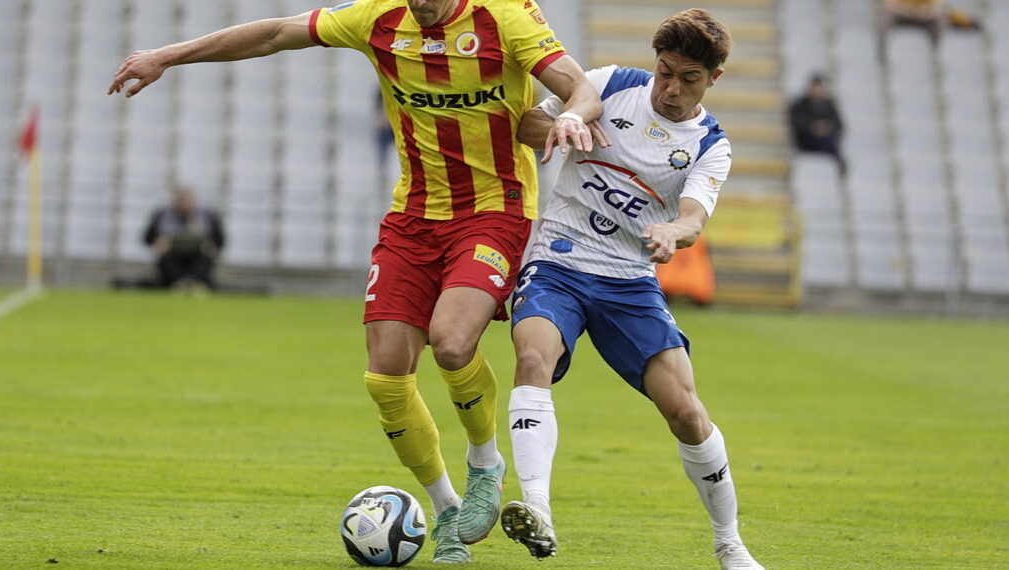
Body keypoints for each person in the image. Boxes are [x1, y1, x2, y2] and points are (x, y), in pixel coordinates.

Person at [108, 0, 603, 563]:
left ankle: (486, 464)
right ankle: (445, 512)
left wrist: (570, 114)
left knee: (452, 341)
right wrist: (167, 57)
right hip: (413, 218)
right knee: (386, 380)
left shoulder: (505, 16)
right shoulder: (378, 17)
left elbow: (579, 87)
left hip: (493, 211)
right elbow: (275, 32)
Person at [500, 9, 764, 570]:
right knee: (532, 356)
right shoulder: (611, 84)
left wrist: (672, 230)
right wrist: (564, 124)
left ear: (712, 79)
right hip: (559, 260)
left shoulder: (709, 144)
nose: (669, 88)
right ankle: (537, 508)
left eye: (687, 79)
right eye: (664, 72)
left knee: (687, 413)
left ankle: (729, 542)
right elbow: (525, 125)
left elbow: (693, 218)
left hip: (629, 281)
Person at [143, 187, 225, 291]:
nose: (185, 206)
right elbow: (147, 238)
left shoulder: (207, 215)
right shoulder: (162, 215)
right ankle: (178, 284)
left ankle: (194, 284)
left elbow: (220, 240)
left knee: (205, 260)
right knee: (166, 261)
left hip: (197, 255)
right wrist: (158, 241)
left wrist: (210, 244)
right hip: (172, 255)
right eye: (182, 202)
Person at [788, 73, 845, 175]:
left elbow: (839, 125)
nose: (817, 90)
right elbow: (796, 123)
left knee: (828, 139)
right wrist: (813, 127)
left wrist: (826, 127)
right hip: (807, 141)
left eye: (820, 88)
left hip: (826, 139)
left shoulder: (829, 106)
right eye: (815, 87)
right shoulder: (800, 105)